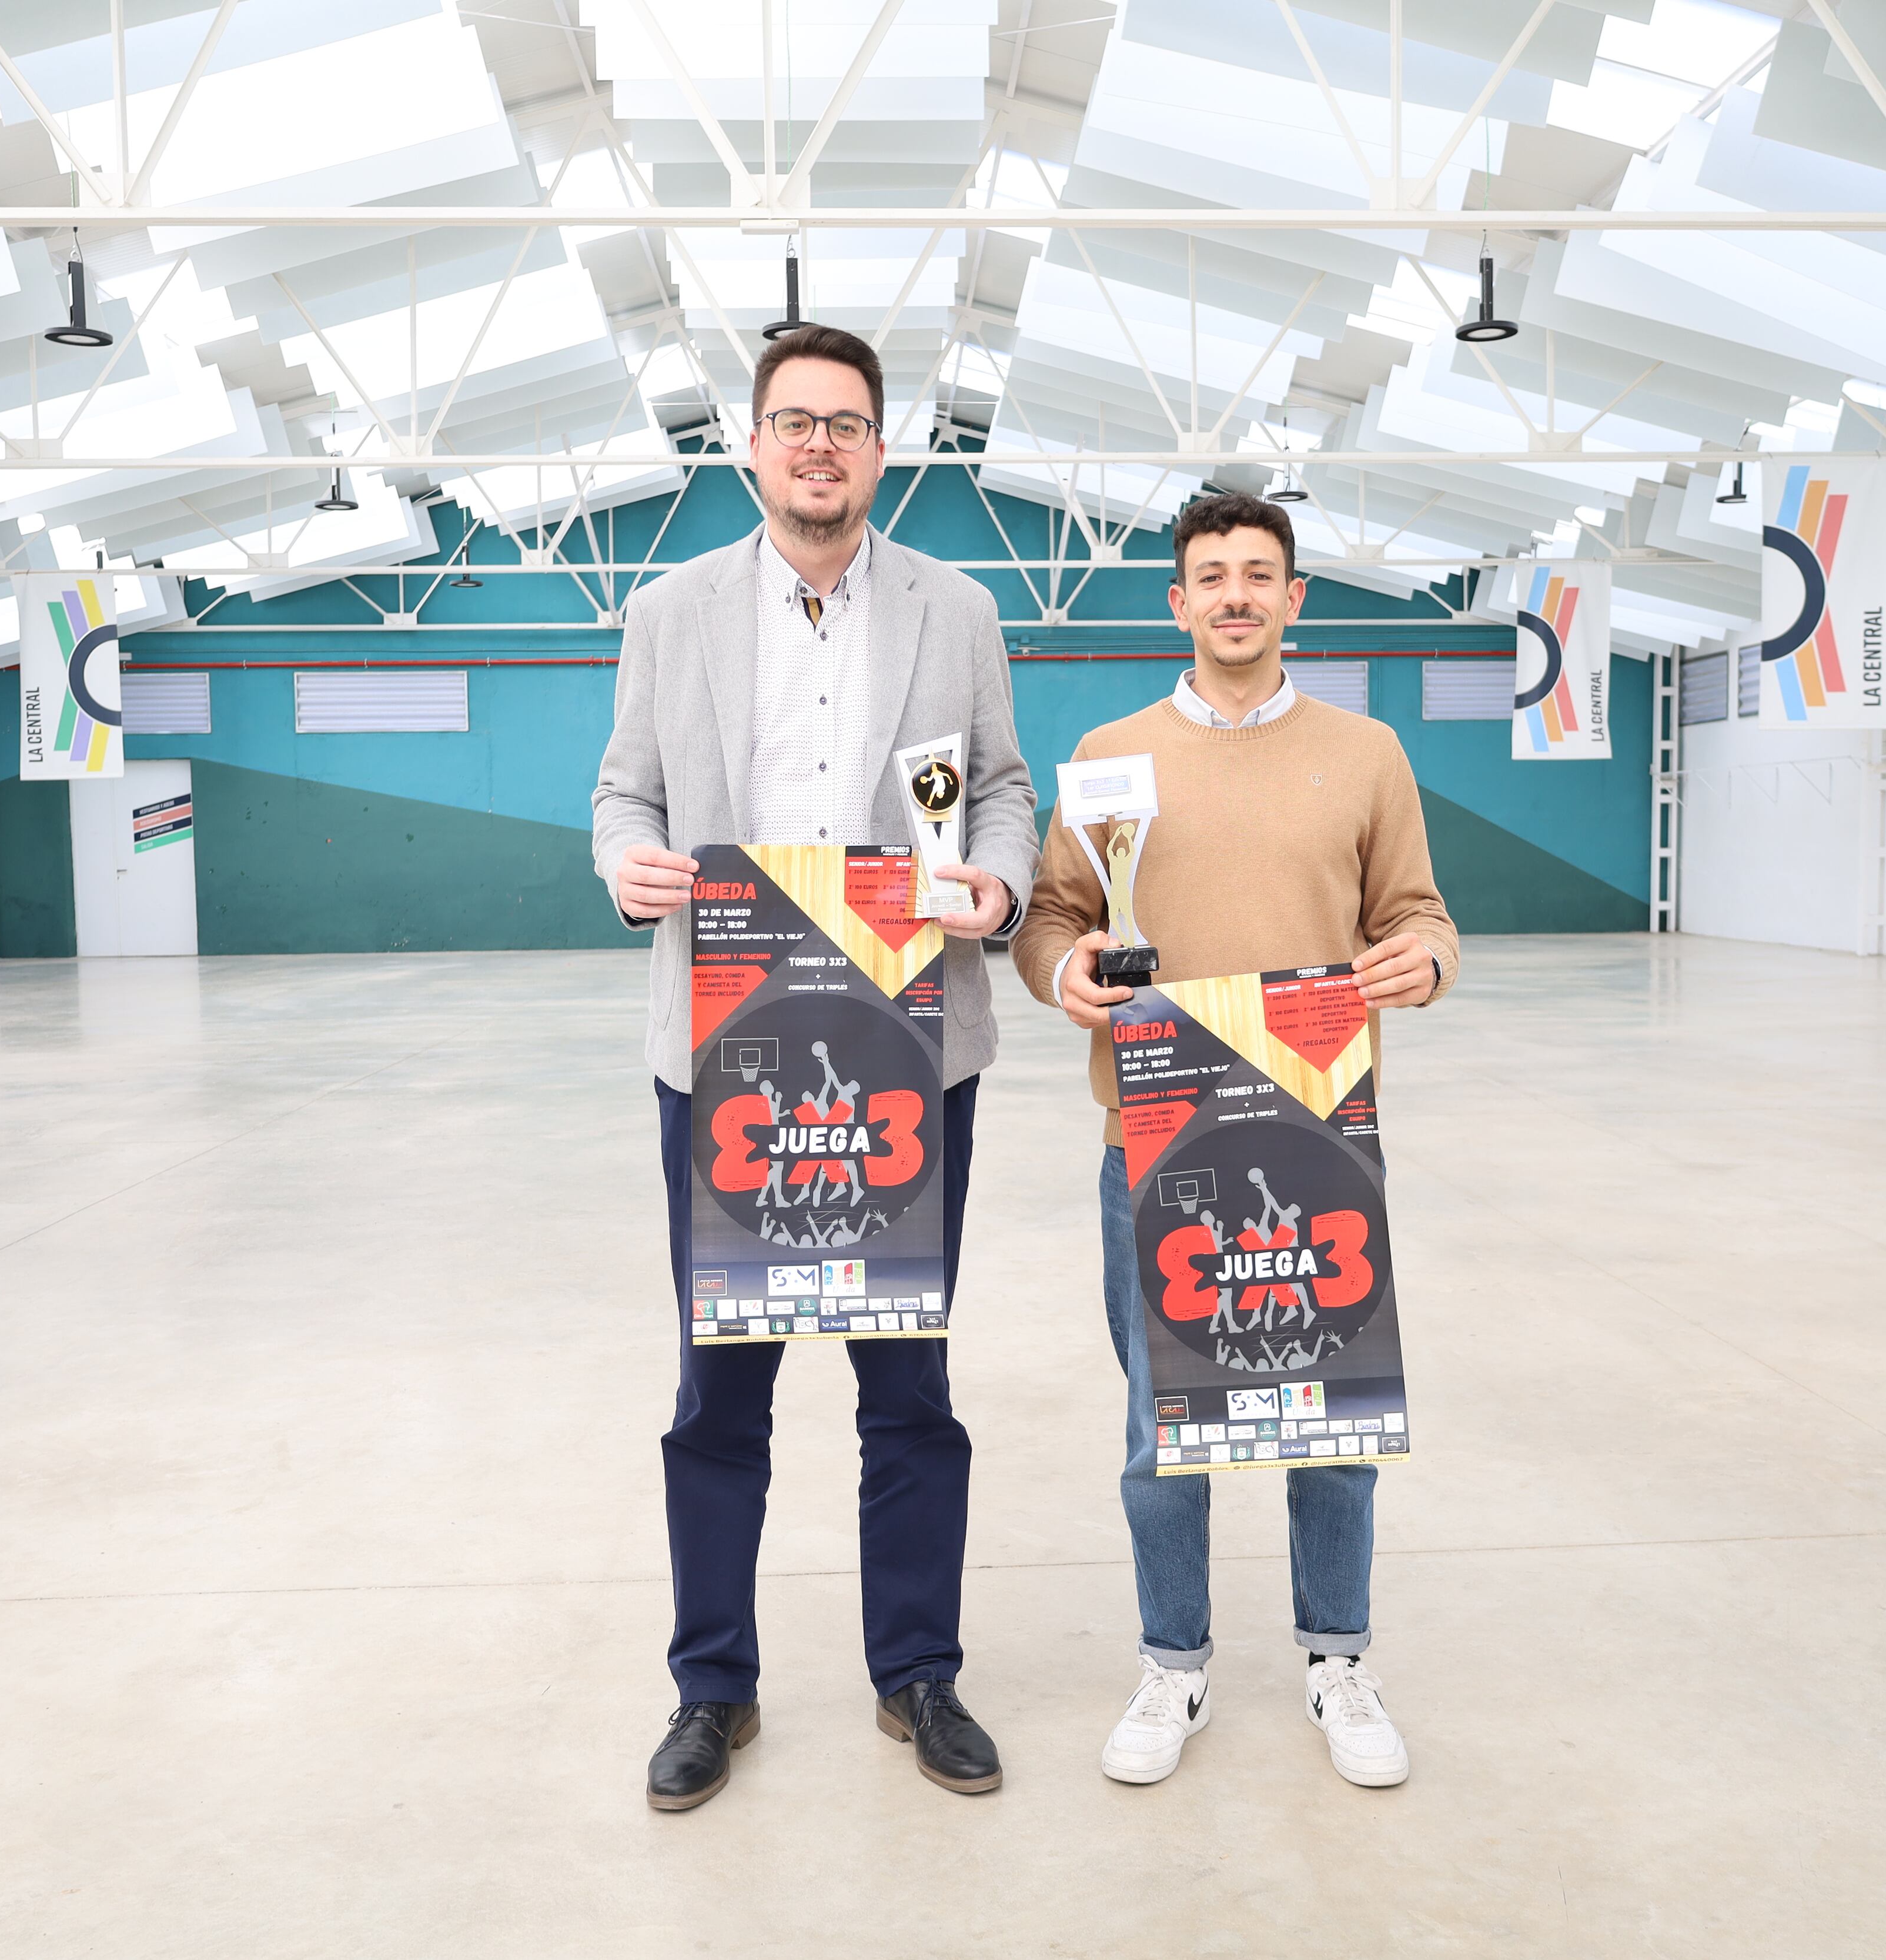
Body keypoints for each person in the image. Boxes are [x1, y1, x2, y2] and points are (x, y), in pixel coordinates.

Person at [592, 323, 1038, 1812]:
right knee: (720, 1390)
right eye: (795, 422)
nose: (820, 447)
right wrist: (628, 868)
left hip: (907, 1038)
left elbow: (1000, 788)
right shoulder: (671, 609)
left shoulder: (956, 607)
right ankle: (712, 1685)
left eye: (847, 423)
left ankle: (918, 1671)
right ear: (753, 444)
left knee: (906, 1382)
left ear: (881, 446)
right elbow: (623, 790)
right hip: (725, 1045)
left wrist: (994, 882)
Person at [1010, 489, 1459, 1789]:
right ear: (1178, 601)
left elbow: (1422, 917)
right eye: (1210, 575)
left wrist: (1416, 967)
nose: (1235, 596)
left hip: (1318, 1128)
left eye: (1259, 574)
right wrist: (1065, 971)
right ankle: (1173, 1660)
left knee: (1328, 1411)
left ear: (1293, 596)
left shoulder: (1366, 753)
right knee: (1162, 1417)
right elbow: (1048, 916)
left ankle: (1337, 1657)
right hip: (1152, 1131)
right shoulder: (1108, 754)